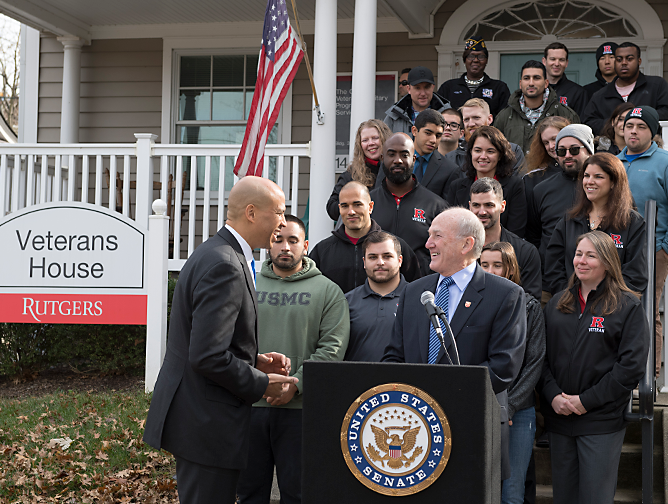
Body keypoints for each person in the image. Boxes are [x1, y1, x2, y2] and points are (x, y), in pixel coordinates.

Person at [143, 176, 298, 503]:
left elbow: (206, 343)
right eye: (279, 213)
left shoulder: (220, 253)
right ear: (252, 213)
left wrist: (253, 359)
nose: (283, 223)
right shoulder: (224, 263)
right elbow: (207, 356)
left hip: (202, 422)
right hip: (207, 427)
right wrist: (260, 382)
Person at [382, 207, 527, 481]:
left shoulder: (506, 295)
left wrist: (442, 399)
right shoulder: (415, 292)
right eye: (429, 236)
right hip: (416, 427)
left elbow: (503, 367)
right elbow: (394, 357)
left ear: (466, 244)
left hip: (473, 427)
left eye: (437, 236)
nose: (428, 244)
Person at [236, 215, 350, 504]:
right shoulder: (247, 283)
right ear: (268, 244)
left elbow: (331, 349)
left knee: (298, 493)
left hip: (301, 410)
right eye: (278, 239)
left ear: (306, 245)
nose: (285, 247)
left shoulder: (328, 291)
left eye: (293, 240)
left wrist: (295, 384)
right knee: (248, 492)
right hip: (249, 404)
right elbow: (230, 340)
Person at [539, 231, 649, 504]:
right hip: (560, 418)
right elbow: (539, 358)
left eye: (591, 255)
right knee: (564, 498)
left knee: (595, 499)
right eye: (578, 254)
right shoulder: (556, 304)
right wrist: (552, 395)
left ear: (608, 262)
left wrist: (586, 401)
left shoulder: (628, 306)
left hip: (600, 421)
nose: (582, 261)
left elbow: (631, 367)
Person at [479, 241, 545, 504]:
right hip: (479, 408)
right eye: (485, 265)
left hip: (519, 412)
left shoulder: (529, 307)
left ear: (510, 268)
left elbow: (535, 362)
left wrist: (511, 407)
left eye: (498, 265)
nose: (491, 270)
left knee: (512, 491)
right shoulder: (470, 304)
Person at [545, 153, 647, 295]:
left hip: (614, 308)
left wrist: (601, 300)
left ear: (613, 182)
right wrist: (573, 298)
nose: (589, 182)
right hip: (571, 306)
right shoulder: (569, 221)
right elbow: (553, 268)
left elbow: (636, 275)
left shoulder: (632, 223)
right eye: (586, 176)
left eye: (598, 177)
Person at [617, 105, 668, 377]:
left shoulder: (665, 161)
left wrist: (665, 248)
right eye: (629, 126)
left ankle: (649, 374)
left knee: (648, 308)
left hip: (653, 249)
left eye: (641, 127)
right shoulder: (614, 161)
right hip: (616, 248)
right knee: (618, 308)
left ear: (653, 133)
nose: (633, 131)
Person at [311, 181, 420, 293]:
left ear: (370, 207)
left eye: (357, 204)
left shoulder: (396, 247)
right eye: (344, 206)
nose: (351, 211)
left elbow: (415, 289)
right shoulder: (321, 252)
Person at [525, 124, 594, 300]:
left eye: (574, 149)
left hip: (598, 285)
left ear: (589, 150)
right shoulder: (541, 190)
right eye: (561, 151)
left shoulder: (605, 186)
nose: (568, 155)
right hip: (551, 285)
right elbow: (534, 235)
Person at [370, 133, 449, 274]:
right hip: (375, 287)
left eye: (404, 155)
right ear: (382, 158)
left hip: (420, 289)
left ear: (413, 159)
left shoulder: (437, 206)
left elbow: (445, 254)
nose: (398, 160)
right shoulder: (367, 204)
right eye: (391, 154)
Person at [446, 126, 527, 237]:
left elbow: (516, 230)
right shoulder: (456, 186)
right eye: (478, 150)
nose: (483, 156)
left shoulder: (515, 186)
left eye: (490, 151)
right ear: (470, 153)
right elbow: (451, 227)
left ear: (500, 155)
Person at [470, 178, 541, 299]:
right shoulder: (459, 249)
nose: (482, 212)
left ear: (502, 206)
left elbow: (531, 305)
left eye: (489, 205)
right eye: (476, 205)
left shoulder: (525, 252)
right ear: (469, 206)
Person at [344, 231, 407, 362]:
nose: (380, 262)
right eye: (373, 257)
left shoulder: (418, 299)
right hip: (358, 380)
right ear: (364, 262)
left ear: (399, 260)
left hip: (403, 381)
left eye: (387, 256)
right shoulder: (346, 302)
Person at [495, 60, 579, 154]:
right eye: (526, 78)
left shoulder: (565, 114)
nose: (531, 83)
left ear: (546, 83)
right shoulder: (504, 116)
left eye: (536, 78)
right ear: (520, 83)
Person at [583, 42, 668, 135]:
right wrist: (615, 122)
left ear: (639, 61)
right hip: (613, 148)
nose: (624, 63)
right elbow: (588, 122)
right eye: (619, 59)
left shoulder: (656, 85)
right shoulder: (600, 95)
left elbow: (665, 112)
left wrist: (636, 118)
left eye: (629, 59)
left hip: (650, 146)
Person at [326, 119, 392, 220]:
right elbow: (332, 209)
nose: (370, 143)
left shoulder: (396, 170)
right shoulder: (351, 174)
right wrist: (352, 204)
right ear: (360, 145)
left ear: (385, 140)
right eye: (365, 140)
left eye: (375, 138)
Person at [445, 98, 526, 173]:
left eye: (476, 118)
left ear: (490, 119)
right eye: (466, 119)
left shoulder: (513, 152)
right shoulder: (452, 158)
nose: (471, 124)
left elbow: (516, 185)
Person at [436, 38, 510, 118]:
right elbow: (438, 116)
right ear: (464, 60)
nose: (475, 60)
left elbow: (505, 120)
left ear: (486, 60)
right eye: (471, 56)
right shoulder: (448, 87)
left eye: (481, 56)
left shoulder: (499, 88)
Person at [384, 66, 451, 136]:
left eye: (427, 87)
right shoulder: (394, 114)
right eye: (417, 88)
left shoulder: (447, 114)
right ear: (408, 89)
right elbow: (383, 143)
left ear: (433, 87)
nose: (423, 93)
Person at [523, 116, 571, 204]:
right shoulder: (532, 178)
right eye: (546, 143)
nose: (551, 146)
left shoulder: (585, 172)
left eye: (554, 139)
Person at [542, 42, 587, 118]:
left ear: (566, 63)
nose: (556, 63)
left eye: (561, 60)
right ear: (544, 61)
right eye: (552, 59)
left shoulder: (578, 92)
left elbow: (581, 125)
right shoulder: (536, 89)